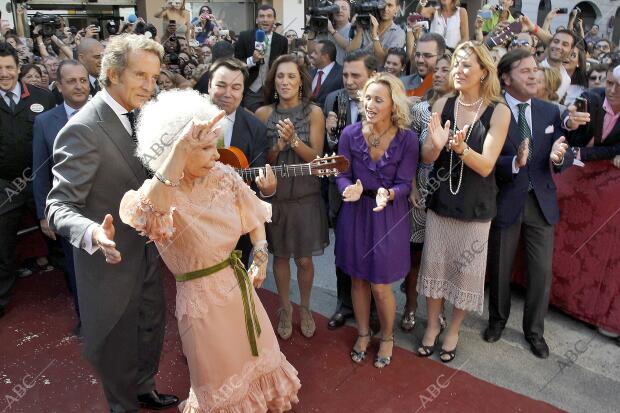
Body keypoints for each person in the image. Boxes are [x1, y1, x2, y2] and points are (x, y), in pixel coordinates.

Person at [119, 88, 301, 412]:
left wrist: (260, 253)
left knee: (259, 370)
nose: (216, 155)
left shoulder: (223, 175)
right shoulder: (158, 195)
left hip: (239, 290)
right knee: (220, 390)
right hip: (201, 307)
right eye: (204, 148)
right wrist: (177, 151)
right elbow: (147, 214)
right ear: (177, 150)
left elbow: (253, 214)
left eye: (214, 145)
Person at [46, 34, 179, 412]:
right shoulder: (84, 127)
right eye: (141, 75)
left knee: (150, 328)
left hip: (148, 254)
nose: (150, 86)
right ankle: (123, 405)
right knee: (118, 343)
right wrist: (91, 232)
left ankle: (144, 387)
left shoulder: (140, 115)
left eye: (154, 78)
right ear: (113, 73)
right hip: (110, 261)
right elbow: (58, 204)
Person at [417, 41, 510, 363]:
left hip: (476, 208)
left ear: (484, 72)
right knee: (435, 268)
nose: (458, 70)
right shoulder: (443, 102)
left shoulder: (500, 110)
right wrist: (437, 145)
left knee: (464, 273)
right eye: (456, 63)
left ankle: (453, 330)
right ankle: (431, 325)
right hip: (441, 203)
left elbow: (486, 165)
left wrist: (459, 150)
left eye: (466, 64)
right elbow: (427, 156)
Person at [484, 49, 573, 359]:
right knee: (499, 267)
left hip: (542, 202)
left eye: (536, 69)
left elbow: (566, 151)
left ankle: (534, 331)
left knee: (541, 272)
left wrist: (561, 158)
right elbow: (487, 161)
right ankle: (497, 321)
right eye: (526, 71)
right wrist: (514, 163)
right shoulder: (493, 112)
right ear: (506, 78)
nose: (535, 75)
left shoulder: (551, 111)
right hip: (506, 199)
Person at [336, 73, 417, 368]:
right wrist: (348, 188)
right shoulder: (349, 134)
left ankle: (386, 337)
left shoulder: (408, 140)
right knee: (357, 279)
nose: (370, 104)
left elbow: (406, 182)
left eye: (378, 99)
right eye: (367, 98)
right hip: (355, 214)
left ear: (393, 104)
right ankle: (362, 332)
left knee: (381, 285)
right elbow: (341, 172)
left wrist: (390, 193)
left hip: (388, 216)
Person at [255, 54, 329, 340]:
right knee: (281, 257)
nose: (284, 81)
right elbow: (264, 160)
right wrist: (278, 146)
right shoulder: (263, 114)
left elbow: (318, 159)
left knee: (305, 261)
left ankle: (306, 307)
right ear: (273, 81)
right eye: (280, 76)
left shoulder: (313, 113)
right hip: (276, 197)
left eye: (291, 76)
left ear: (301, 81)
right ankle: (285, 308)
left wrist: (295, 142)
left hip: (306, 196)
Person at [33, 60, 90, 333]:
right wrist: (43, 214)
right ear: (59, 86)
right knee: (76, 268)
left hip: (107, 206)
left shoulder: (107, 115)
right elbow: (39, 169)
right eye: (72, 81)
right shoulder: (45, 122)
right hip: (68, 209)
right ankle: (86, 320)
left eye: (83, 80)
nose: (79, 86)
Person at [323, 50, 378, 329]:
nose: (349, 80)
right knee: (343, 250)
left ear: (372, 77)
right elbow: (328, 152)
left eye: (356, 75)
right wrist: (330, 135)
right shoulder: (333, 99)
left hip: (375, 193)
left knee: (374, 249)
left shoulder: (384, 103)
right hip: (341, 189)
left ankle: (375, 309)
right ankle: (345, 304)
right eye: (345, 74)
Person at [0, 42, 55, 319]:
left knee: (57, 232)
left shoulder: (43, 97)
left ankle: (71, 286)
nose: (4, 73)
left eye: (9, 67)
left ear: (18, 68)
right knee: (2, 244)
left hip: (41, 180)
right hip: (5, 185)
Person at [208, 57, 276, 268]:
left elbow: (256, 179)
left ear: (243, 91)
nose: (228, 93)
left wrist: (268, 190)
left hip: (236, 223)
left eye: (236, 87)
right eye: (221, 85)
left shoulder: (256, 128)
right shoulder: (185, 119)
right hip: (193, 221)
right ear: (209, 85)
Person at [401, 53, 452, 332]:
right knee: (416, 255)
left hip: (452, 196)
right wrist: (410, 186)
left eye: (448, 69)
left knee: (441, 259)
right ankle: (410, 305)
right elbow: (409, 153)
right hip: (420, 194)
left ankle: (438, 310)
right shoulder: (420, 110)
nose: (441, 73)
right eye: (439, 69)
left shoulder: (466, 111)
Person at [234, 5, 288, 112]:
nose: (265, 19)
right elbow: (236, 64)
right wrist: (252, 60)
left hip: (273, 91)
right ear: (256, 20)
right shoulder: (245, 37)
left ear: (274, 20)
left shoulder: (282, 41)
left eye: (269, 16)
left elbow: (283, 66)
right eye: (261, 16)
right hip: (251, 90)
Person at [565, 64, 620, 162]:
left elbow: (617, 148)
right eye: (609, 83)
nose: (612, 90)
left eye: (619, 85)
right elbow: (567, 122)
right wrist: (569, 123)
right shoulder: (590, 98)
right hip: (569, 162)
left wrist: (584, 153)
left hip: (600, 167)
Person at [348, 0, 405, 64]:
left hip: (381, 73)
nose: (385, 9)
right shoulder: (365, 25)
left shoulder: (399, 33)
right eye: (382, 5)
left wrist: (374, 35)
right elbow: (350, 55)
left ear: (397, 9)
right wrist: (359, 31)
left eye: (390, 5)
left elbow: (383, 61)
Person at [401, 33, 446, 98]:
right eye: (418, 54)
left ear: (441, 57)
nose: (420, 60)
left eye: (427, 56)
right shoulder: (402, 85)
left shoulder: (452, 88)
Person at [539, 29, 576, 103]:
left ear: (571, 51)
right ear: (550, 44)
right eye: (556, 42)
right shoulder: (535, 67)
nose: (558, 46)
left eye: (565, 44)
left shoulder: (566, 79)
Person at [312, 0, 352, 65]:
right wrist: (311, 29)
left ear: (349, 14)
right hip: (327, 72)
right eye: (335, 8)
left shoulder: (354, 28)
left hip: (347, 71)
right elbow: (312, 51)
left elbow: (350, 48)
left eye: (343, 8)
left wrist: (332, 31)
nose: (339, 11)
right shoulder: (324, 28)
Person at [309, 40, 343, 107]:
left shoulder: (342, 74)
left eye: (315, 53)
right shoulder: (310, 72)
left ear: (325, 56)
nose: (311, 55)